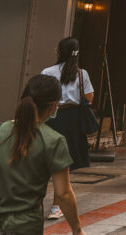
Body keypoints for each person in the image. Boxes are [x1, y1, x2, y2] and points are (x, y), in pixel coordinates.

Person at [0, 74, 86, 234]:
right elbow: (63, 194)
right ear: (53, 106)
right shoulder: (54, 141)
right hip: (23, 227)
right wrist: (77, 229)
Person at [41, 37, 95, 220]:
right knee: (63, 166)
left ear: (59, 52)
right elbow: (89, 97)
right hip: (71, 121)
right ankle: (56, 206)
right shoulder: (81, 74)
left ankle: (37, 200)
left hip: (50, 117)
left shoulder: (47, 72)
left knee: (44, 161)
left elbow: (40, 95)